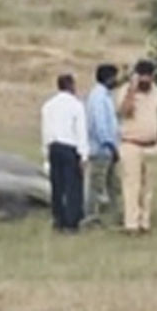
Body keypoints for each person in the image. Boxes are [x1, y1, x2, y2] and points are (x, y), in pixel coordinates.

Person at [117, 59, 157, 234]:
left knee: (148, 188)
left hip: (152, 145)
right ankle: (131, 224)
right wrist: (132, 90)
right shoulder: (126, 91)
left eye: (148, 76)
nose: (146, 80)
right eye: (142, 76)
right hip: (131, 144)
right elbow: (124, 112)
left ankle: (145, 222)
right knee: (132, 186)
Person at [40, 74, 89, 233]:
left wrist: (46, 153)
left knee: (57, 185)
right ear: (72, 85)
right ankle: (72, 221)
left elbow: (45, 131)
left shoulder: (48, 106)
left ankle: (58, 218)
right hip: (70, 147)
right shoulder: (76, 105)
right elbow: (80, 131)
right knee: (73, 186)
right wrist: (83, 155)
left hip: (54, 146)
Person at [86, 64, 122, 226]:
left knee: (113, 185)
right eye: (115, 77)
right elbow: (100, 125)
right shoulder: (99, 97)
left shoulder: (105, 96)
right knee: (96, 185)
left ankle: (115, 216)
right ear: (109, 78)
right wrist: (110, 144)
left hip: (108, 149)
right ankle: (91, 217)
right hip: (102, 149)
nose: (117, 80)